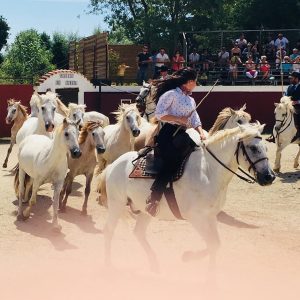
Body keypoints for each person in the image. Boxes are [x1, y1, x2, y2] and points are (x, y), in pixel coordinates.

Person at [145, 68, 206, 216]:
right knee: (172, 161)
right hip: (168, 134)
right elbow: (159, 114)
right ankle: (154, 199)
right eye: (195, 82)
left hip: (183, 134)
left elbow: (195, 119)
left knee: (199, 154)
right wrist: (178, 119)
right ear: (189, 82)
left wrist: (201, 132)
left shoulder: (191, 99)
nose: (196, 84)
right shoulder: (170, 94)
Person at [267, 71, 300, 143]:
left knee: (298, 115)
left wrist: (297, 102)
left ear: (297, 79)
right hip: (288, 106)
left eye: (292, 78)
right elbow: (285, 95)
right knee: (279, 114)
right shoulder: (289, 87)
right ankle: (273, 135)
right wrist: (283, 100)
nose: (291, 79)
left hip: (298, 107)